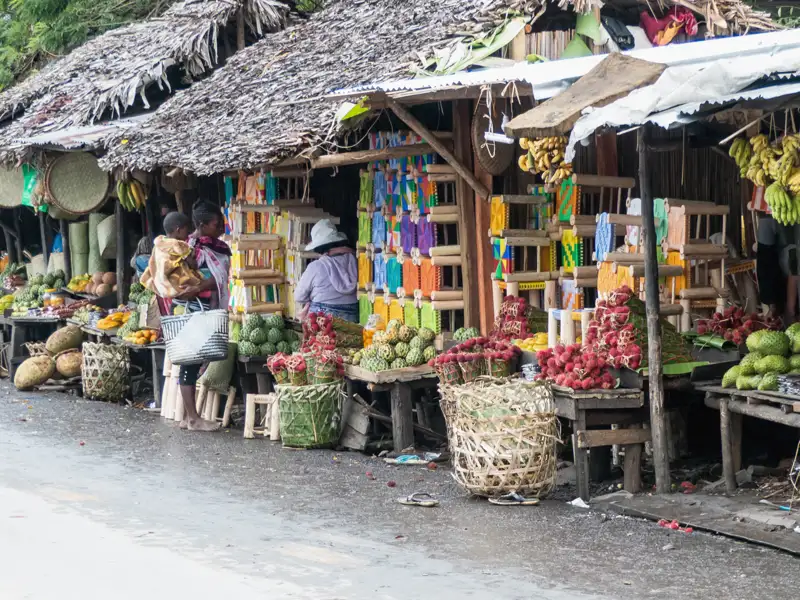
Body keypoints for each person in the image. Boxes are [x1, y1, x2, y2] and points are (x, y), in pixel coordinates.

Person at [163, 201, 231, 432]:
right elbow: (183, 275)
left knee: (191, 362)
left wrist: (198, 285)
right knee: (190, 362)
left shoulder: (216, 247)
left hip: (200, 308)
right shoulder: (188, 246)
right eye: (215, 224)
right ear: (202, 224)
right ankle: (193, 419)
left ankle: (188, 417)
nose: (221, 227)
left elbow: (218, 277)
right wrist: (196, 286)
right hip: (191, 310)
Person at [295, 219, 358, 322]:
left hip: (323, 322)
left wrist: (312, 297)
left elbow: (299, 296)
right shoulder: (354, 260)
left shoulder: (316, 266)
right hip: (352, 319)